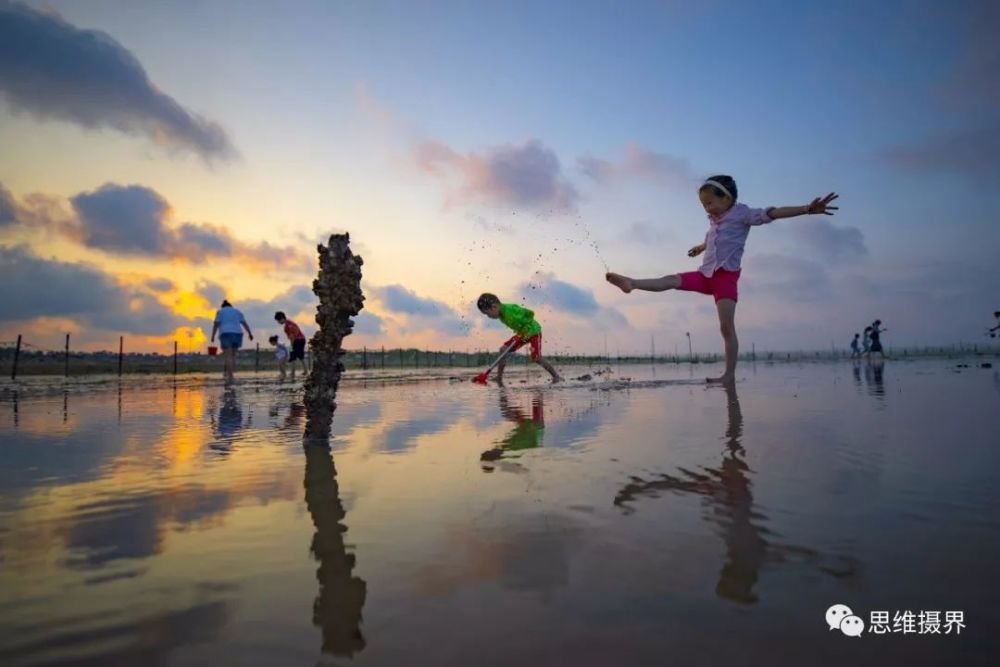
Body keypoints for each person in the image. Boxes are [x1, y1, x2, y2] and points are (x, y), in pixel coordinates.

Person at [606, 175, 838, 384]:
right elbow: (712, 237)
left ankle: (728, 375)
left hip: (725, 278)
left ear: (727, 198)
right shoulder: (714, 220)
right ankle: (631, 283)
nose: (707, 208)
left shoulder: (743, 214)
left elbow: (774, 212)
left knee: (726, 327)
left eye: (709, 203)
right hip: (705, 274)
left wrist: (807, 208)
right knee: (670, 280)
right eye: (703, 204)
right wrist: (700, 247)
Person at [476, 293, 563, 383]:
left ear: (494, 307)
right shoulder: (501, 314)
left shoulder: (510, 311)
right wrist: (522, 333)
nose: (489, 317)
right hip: (522, 334)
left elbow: (530, 314)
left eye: (487, 314)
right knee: (503, 349)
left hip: (533, 332)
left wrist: (525, 328)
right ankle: (499, 377)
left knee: (536, 358)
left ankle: (556, 376)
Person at [210, 300, 253, 384]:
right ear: (230, 306)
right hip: (238, 334)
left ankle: (230, 376)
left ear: (223, 306)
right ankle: (230, 374)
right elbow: (244, 323)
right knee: (232, 356)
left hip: (226, 333)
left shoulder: (220, 312)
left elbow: (216, 324)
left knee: (228, 356)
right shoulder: (237, 311)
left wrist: (212, 336)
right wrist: (250, 333)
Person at [274, 311, 307, 378]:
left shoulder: (287, 326)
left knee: (300, 356)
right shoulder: (289, 323)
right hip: (300, 340)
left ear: (282, 318)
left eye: (278, 320)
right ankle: (293, 372)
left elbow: (292, 337)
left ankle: (305, 371)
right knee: (293, 356)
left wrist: (292, 345)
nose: (278, 322)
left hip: (299, 340)